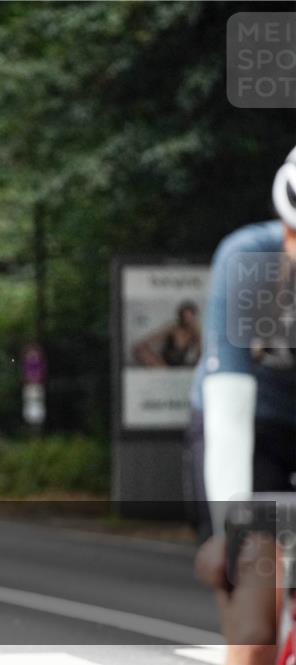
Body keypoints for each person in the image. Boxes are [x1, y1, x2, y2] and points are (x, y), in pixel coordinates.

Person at [191, 146, 296, 665]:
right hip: (250, 430)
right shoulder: (247, 261)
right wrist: (227, 535)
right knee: (255, 614)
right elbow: (228, 413)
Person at [132, 300, 202, 367]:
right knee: (140, 349)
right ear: (181, 316)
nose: (187, 319)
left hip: (181, 365)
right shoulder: (172, 328)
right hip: (163, 364)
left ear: (194, 317)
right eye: (185, 316)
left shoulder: (195, 332)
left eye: (190, 317)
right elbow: (152, 339)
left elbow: (200, 351)